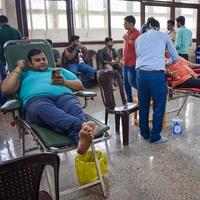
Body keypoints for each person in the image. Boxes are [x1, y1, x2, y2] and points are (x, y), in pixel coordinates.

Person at [1, 48, 97, 154]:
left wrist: (64, 82)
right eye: (37, 60)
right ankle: (83, 126)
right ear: (30, 64)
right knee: (42, 108)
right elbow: (6, 89)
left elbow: (80, 86)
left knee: (73, 105)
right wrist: (19, 68)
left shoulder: (57, 71)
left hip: (64, 96)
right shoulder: (24, 75)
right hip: (37, 101)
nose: (42, 61)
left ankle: (81, 139)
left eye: (44, 59)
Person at [135, 18, 179, 144]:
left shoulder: (139, 38)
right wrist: (166, 62)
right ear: (157, 28)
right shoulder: (163, 35)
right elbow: (175, 57)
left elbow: (140, 56)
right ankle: (155, 137)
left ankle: (144, 133)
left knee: (143, 105)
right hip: (156, 76)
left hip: (141, 75)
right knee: (159, 106)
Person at [0, 15, 22, 106]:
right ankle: (17, 98)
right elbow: (21, 45)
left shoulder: (0, 32)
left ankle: (3, 102)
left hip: (3, 60)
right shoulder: (16, 32)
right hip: (17, 60)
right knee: (16, 78)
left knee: (6, 80)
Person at [122, 15, 140, 102]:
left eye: (125, 23)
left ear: (131, 23)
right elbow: (126, 49)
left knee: (132, 82)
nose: (123, 25)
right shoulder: (127, 33)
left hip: (132, 63)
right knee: (125, 83)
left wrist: (128, 39)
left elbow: (137, 46)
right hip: (125, 62)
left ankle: (144, 94)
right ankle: (129, 100)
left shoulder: (137, 33)